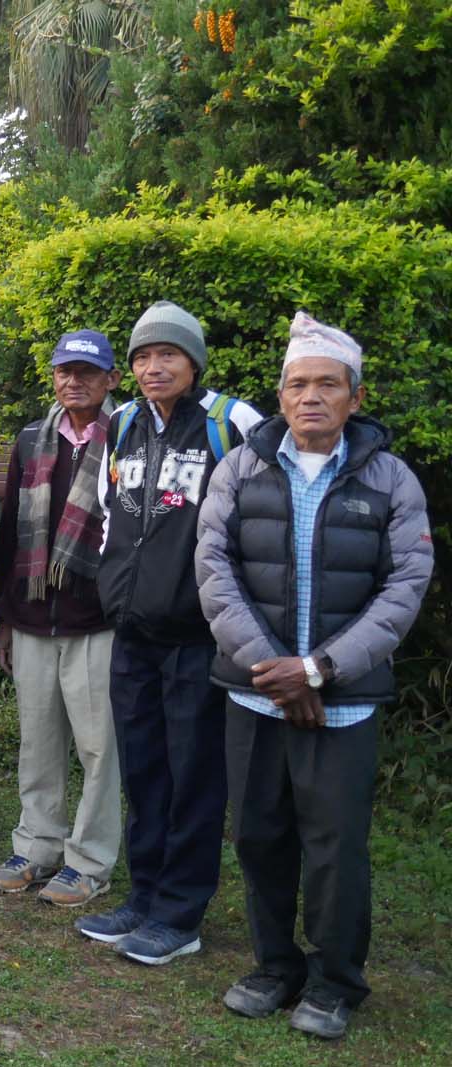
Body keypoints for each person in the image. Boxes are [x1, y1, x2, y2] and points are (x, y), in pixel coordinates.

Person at [197, 313, 432, 1039]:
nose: (311, 397)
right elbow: (213, 568)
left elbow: (407, 583)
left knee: (335, 848)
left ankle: (336, 980)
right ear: (280, 393)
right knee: (261, 837)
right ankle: (276, 965)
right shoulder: (240, 467)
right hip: (255, 692)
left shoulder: (390, 479)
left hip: (345, 700)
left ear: (354, 397)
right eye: (297, 384)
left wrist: (320, 670)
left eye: (328, 385)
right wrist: (275, 671)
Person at [76, 300, 261, 965]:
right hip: (132, 629)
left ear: (194, 361)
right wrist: (108, 585)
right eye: (143, 357)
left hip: (197, 634)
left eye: (168, 355)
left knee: (194, 774)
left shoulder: (230, 422)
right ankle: (143, 896)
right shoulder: (121, 423)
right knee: (146, 769)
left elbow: (266, 515)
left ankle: (181, 914)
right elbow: (106, 510)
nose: (153, 367)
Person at [0, 330, 123, 906]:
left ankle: (89, 862)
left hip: (98, 620)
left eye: (87, 373)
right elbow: (9, 533)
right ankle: (37, 846)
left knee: (98, 749)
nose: (75, 381)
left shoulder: (130, 439)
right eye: (66, 371)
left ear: (112, 380)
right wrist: (5, 616)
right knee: (37, 742)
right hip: (33, 616)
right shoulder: (29, 440)